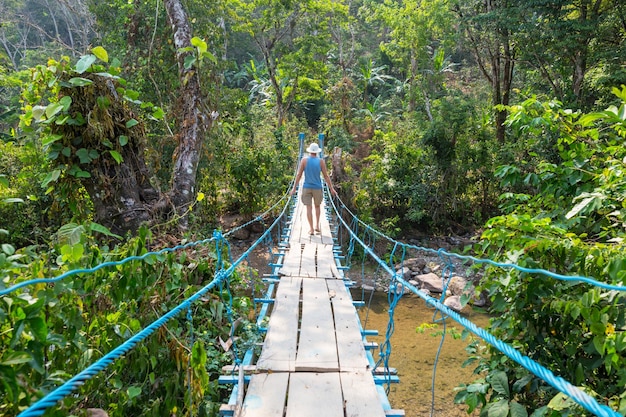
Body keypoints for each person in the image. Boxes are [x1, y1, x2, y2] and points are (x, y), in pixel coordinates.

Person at [290, 142, 337, 235]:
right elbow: (326, 176)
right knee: (317, 206)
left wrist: (294, 188)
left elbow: (299, 175)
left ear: (310, 151)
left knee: (308, 208)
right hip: (317, 187)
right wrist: (331, 188)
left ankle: (311, 229)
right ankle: (317, 226)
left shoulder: (304, 160)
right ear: (317, 152)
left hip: (306, 187)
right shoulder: (321, 161)